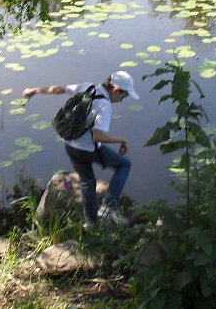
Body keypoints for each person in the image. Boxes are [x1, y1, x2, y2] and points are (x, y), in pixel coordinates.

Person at [22, 71, 139, 225]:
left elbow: (59, 89)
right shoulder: (104, 105)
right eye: (123, 96)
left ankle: (91, 223)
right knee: (124, 164)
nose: (122, 100)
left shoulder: (87, 87)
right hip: (87, 150)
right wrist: (122, 140)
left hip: (70, 145)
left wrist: (34, 91)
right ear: (116, 90)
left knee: (87, 182)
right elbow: (97, 137)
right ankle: (109, 207)